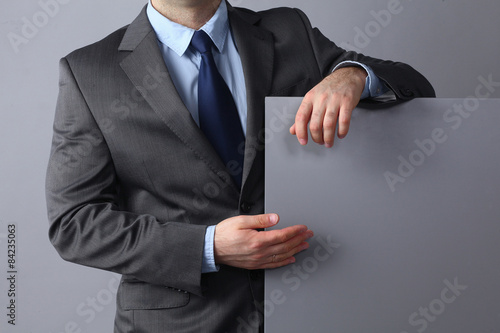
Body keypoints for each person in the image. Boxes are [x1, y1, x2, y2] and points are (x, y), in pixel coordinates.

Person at [45, 0, 435, 332]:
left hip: (315, 304)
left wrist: (351, 75)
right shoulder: (89, 71)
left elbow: (415, 85)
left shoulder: (288, 30)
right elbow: (74, 222)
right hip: (179, 322)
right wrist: (207, 247)